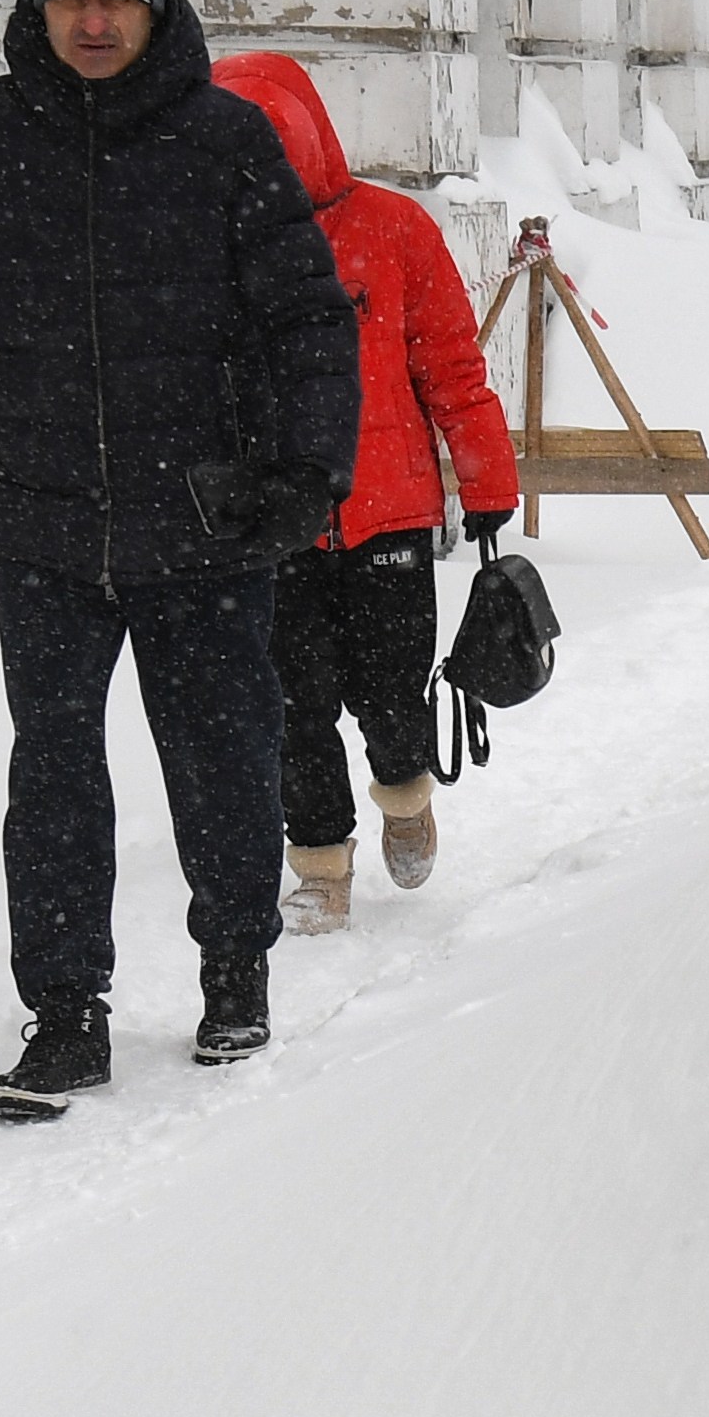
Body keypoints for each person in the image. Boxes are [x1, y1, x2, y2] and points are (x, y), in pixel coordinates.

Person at [0, 0, 362, 1123]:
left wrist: (308, 473)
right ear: (37, 2)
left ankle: (232, 969)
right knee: (53, 773)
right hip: (44, 523)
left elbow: (311, 321)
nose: (91, 20)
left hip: (205, 517)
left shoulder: (223, 140)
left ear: (153, 3)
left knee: (219, 752)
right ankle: (65, 1016)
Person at [210, 52, 520, 934]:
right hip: (275, 524)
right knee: (293, 710)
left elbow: (454, 368)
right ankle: (319, 863)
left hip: (390, 514)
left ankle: (405, 792)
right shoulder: (210, 246)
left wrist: (486, 478)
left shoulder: (394, 227)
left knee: (389, 694)